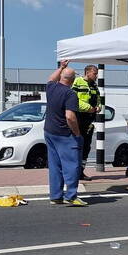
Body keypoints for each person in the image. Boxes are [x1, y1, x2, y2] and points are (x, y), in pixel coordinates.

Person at [45, 60, 87, 206]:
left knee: (55, 165)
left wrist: (61, 67)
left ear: (61, 76)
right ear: (73, 80)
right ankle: (71, 196)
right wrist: (77, 134)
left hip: (49, 131)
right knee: (72, 165)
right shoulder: (70, 94)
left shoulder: (51, 87)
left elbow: (50, 78)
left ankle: (55, 196)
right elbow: (70, 117)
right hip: (64, 134)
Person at [71, 64, 101, 181]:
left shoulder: (94, 85)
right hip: (79, 117)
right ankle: (73, 171)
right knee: (76, 145)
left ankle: (80, 172)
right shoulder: (78, 82)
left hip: (89, 119)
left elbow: (99, 99)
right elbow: (73, 99)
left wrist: (98, 107)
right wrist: (88, 107)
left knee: (86, 146)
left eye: (97, 73)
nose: (96, 76)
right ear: (87, 72)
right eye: (94, 73)